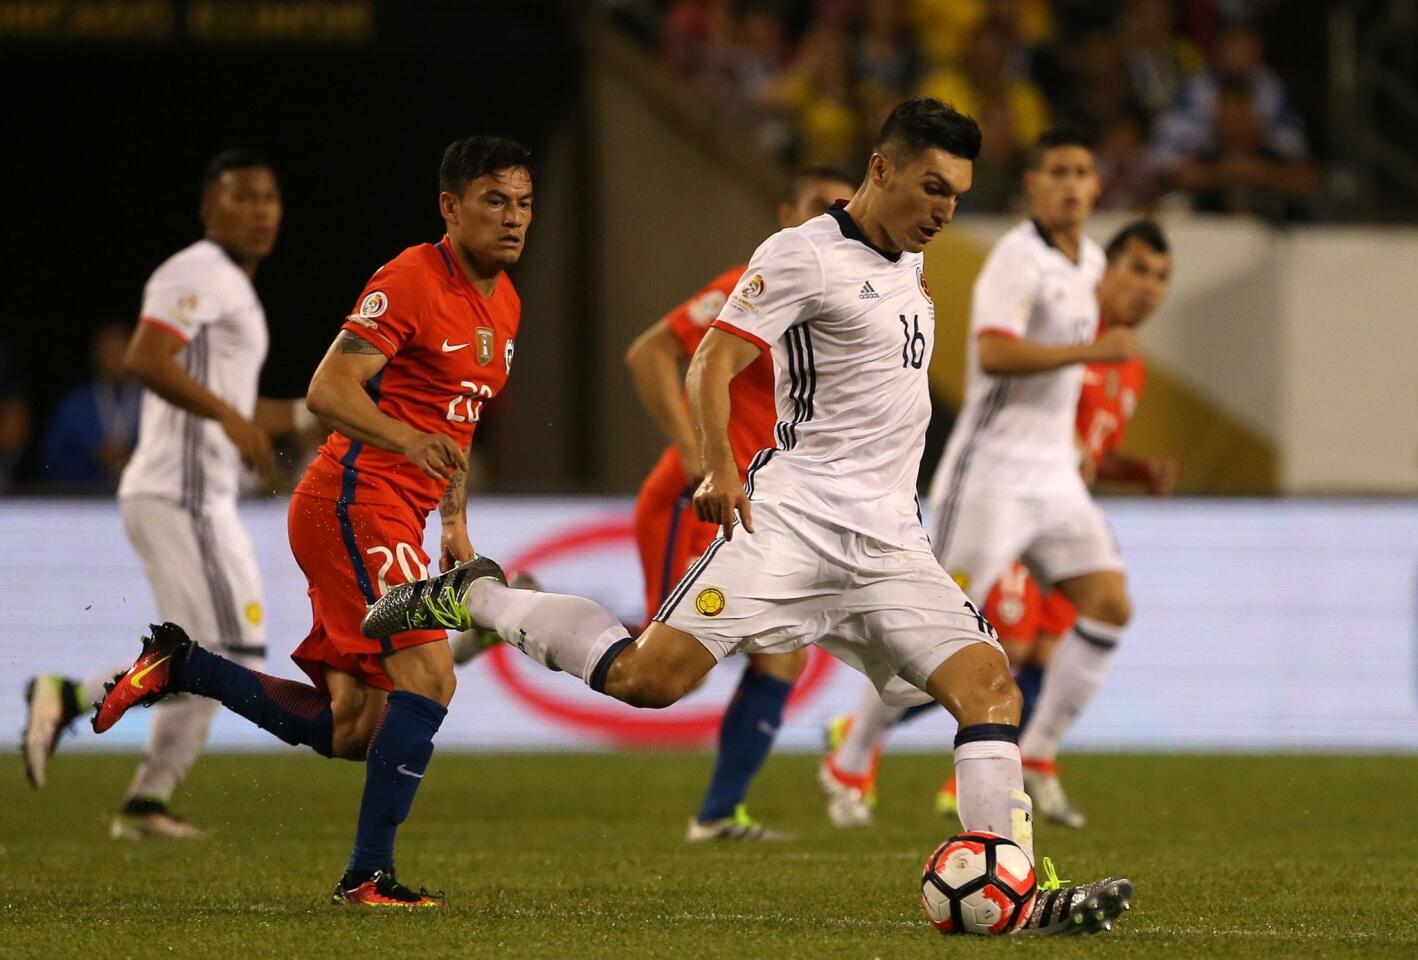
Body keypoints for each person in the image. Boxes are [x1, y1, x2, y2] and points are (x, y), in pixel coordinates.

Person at [363, 99, 1132, 935]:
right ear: (882, 169)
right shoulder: (804, 255)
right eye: (932, 187)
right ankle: (480, 596)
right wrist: (720, 468)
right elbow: (712, 359)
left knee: (990, 688)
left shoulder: (910, 259)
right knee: (648, 679)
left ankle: (1013, 892)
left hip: (891, 544)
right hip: (792, 526)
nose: (944, 210)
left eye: (957, 194)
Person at [91, 136, 531, 908]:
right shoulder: (411, 278)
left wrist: (455, 523)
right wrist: (405, 441)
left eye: (524, 203)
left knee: (357, 728)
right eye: (494, 200)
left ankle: (185, 666)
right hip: (353, 499)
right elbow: (329, 391)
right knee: (430, 675)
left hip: (399, 509)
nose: (513, 218)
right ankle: (368, 877)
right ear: (450, 206)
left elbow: (456, 423)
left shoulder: (507, 301)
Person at [821, 126, 1142, 835]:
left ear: (1096, 187)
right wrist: (1094, 350)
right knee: (932, 640)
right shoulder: (1016, 260)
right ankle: (852, 752)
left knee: (1110, 603)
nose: (1071, 183)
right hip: (991, 474)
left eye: (1082, 170)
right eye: (1056, 169)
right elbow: (993, 354)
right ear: (1033, 184)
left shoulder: (1090, 259)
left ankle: (1041, 753)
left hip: (1052, 473)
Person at [21, 149, 308, 839]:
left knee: (225, 657)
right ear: (210, 208)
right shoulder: (197, 271)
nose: (260, 210)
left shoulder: (237, 292)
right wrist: (231, 418)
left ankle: (147, 800)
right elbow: (144, 357)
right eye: (243, 196)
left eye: (270, 196)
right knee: (225, 656)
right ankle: (69, 697)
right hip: (180, 493)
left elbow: (248, 408)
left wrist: (317, 409)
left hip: (204, 499)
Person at [626, 166, 854, 841]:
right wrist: (699, 452)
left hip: (760, 509)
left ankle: (718, 815)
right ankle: (518, 607)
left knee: (782, 654)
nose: (827, 221)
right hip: (692, 502)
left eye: (837, 210)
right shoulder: (742, 287)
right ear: (786, 212)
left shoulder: (835, 304)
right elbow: (649, 353)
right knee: (661, 670)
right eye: (815, 207)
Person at [39, 321, 143, 491]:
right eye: (109, 353)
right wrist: (92, 458)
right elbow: (50, 463)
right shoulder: (74, 405)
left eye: (121, 351)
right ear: (96, 355)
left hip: (142, 498)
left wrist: (134, 457)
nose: (115, 360)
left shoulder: (153, 401)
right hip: (87, 502)